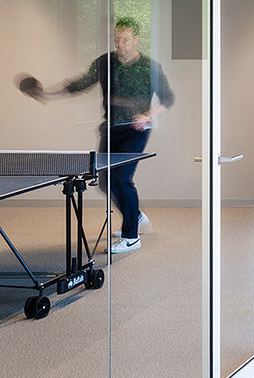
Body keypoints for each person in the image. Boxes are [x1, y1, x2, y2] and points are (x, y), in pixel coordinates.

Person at [33, 16, 174, 254]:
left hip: (135, 131)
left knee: (122, 179)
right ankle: (135, 216)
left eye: (125, 39)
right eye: (116, 38)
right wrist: (49, 93)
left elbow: (168, 98)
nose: (120, 43)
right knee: (105, 181)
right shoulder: (105, 62)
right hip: (110, 128)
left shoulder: (150, 67)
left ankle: (131, 237)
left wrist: (149, 115)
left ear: (136, 39)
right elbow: (80, 83)